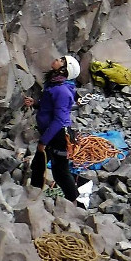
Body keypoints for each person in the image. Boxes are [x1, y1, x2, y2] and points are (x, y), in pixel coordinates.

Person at [22, 54, 82, 204]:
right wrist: (35, 103)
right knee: (39, 164)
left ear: (64, 70)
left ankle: (74, 201)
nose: (57, 60)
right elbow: (49, 107)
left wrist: (44, 141)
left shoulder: (61, 91)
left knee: (60, 172)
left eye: (61, 61)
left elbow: (59, 119)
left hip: (58, 135)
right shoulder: (54, 85)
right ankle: (33, 195)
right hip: (52, 132)